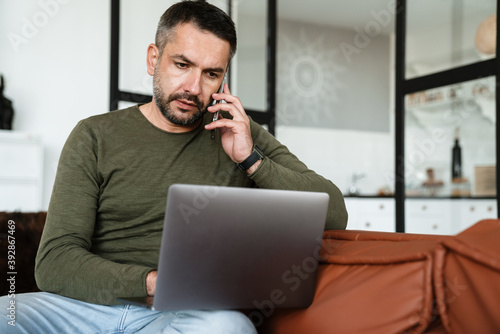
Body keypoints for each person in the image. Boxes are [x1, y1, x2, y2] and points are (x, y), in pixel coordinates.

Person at [0, 1, 347, 333]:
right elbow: (54, 262)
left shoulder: (239, 132)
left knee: (229, 327)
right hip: (82, 307)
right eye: (182, 65)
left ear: (224, 79)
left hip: (180, 315)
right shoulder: (93, 135)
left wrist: (250, 159)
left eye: (211, 73)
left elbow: (333, 213)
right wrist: (151, 281)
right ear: (154, 59)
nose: (194, 88)